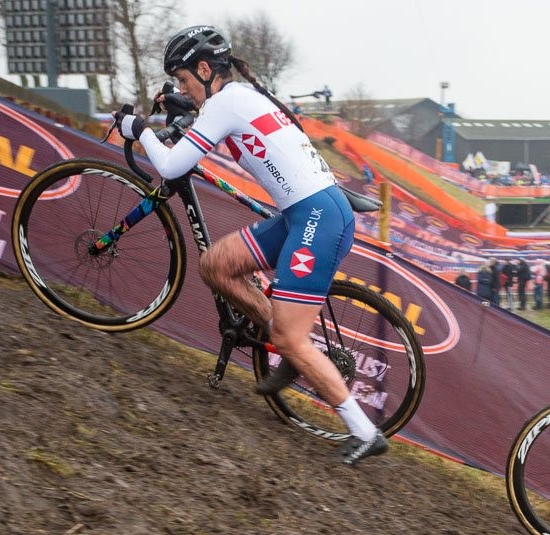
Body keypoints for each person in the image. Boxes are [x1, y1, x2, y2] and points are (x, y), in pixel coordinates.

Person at [113, 25, 387, 464]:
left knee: (291, 336)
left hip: (316, 216)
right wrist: (185, 106)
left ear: (205, 70)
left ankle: (364, 429)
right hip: (303, 213)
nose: (185, 89)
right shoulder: (235, 97)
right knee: (216, 266)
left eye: (185, 81)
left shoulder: (226, 104)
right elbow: (218, 120)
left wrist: (138, 128)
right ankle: (285, 345)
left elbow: (168, 164)